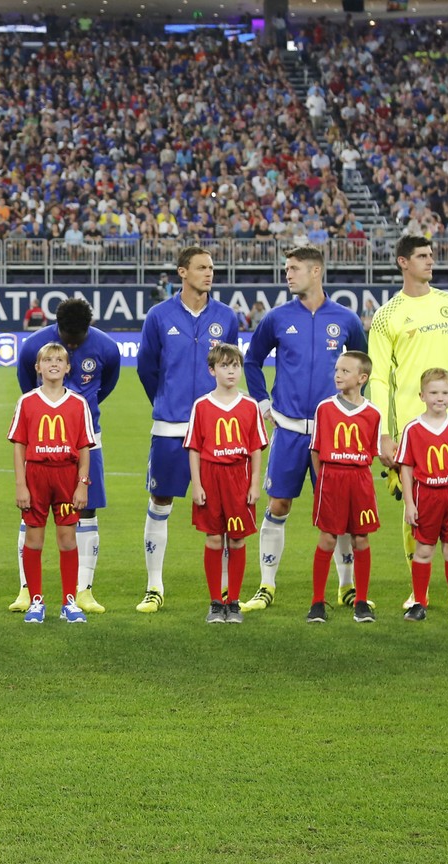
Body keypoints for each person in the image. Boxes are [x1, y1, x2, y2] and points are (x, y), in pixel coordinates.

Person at [369, 236, 448, 614]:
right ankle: (417, 593)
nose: (430, 261)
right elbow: (377, 378)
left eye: (431, 255)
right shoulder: (387, 315)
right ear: (403, 262)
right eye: (422, 256)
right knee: (414, 511)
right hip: (412, 428)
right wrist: (383, 433)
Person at [242, 246, 368, 612]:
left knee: (339, 513)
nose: (288, 274)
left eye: (294, 268)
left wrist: (356, 411)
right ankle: (266, 585)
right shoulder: (278, 318)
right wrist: (263, 402)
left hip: (333, 433)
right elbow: (252, 360)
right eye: (286, 268)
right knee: (279, 503)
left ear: (316, 272)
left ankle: (345, 586)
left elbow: (363, 364)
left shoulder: (344, 318)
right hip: (290, 429)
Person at [136, 246, 240, 612]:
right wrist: (166, 401)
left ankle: (225, 594)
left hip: (216, 432)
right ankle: (154, 586)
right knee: (160, 501)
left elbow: (230, 368)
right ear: (182, 272)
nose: (208, 274)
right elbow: (147, 368)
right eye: (201, 268)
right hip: (170, 426)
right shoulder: (159, 315)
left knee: (224, 512)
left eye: (211, 268)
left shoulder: (226, 317)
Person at [10, 297, 120, 614]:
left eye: (78, 340)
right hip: (43, 444)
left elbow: (106, 384)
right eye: (67, 338)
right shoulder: (34, 346)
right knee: (31, 512)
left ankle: (82, 591)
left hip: (87, 439)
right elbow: (25, 385)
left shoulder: (107, 348)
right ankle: (27, 590)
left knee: (86, 511)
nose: (72, 344)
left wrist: (83, 410)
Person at [9, 342, 95, 624]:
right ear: (38, 367)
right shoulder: (27, 401)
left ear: (68, 367)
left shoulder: (78, 403)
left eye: (60, 360)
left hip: (66, 476)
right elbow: (20, 445)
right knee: (33, 539)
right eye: (48, 360)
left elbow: (84, 447)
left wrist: (82, 483)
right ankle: (36, 600)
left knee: (68, 539)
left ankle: (69, 601)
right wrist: (21, 484)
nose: (54, 364)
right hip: (36, 475)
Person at [184, 344, 267, 624]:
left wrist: (255, 483)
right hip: (210, 476)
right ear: (212, 370)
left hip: (238, 478)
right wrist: (196, 484)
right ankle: (215, 602)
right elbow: (194, 448)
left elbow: (255, 448)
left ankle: (233, 601)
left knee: (237, 538)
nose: (231, 371)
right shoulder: (202, 405)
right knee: (213, 537)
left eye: (235, 366)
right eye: (224, 366)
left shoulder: (250, 405)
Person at [305, 351, 382, 624]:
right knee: (327, 539)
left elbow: (372, 452)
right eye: (337, 370)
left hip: (360, 481)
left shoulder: (373, 413)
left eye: (345, 371)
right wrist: (324, 480)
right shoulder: (325, 408)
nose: (338, 375)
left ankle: (361, 601)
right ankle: (317, 602)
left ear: (362, 378)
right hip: (331, 479)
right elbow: (315, 450)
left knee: (361, 539)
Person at [396, 369, 448, 623]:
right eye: (433, 393)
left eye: (444, 393)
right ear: (422, 395)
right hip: (426, 497)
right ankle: (419, 602)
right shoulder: (412, 429)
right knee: (424, 551)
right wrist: (409, 504)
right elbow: (406, 470)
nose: (439, 398)